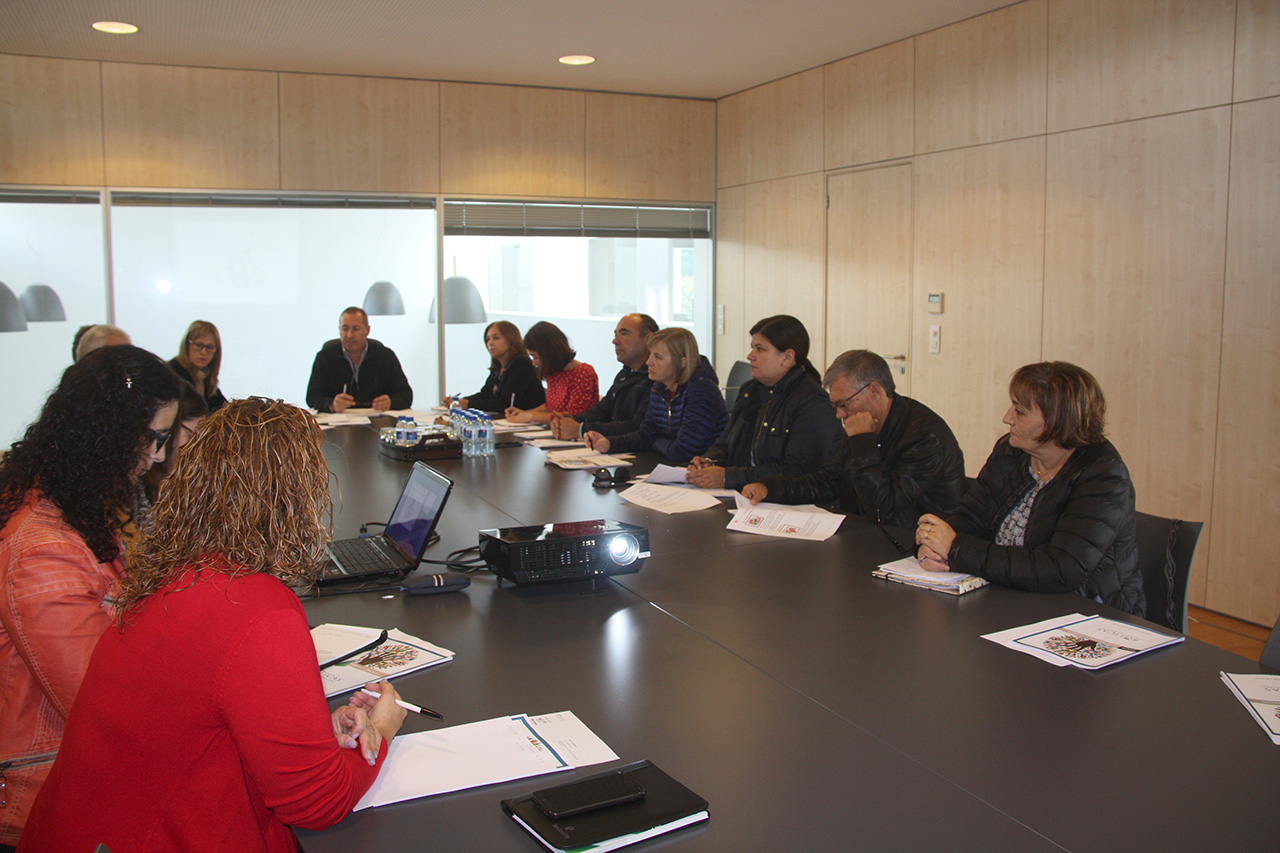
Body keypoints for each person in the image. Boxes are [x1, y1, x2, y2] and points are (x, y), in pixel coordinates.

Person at [19, 399, 408, 852]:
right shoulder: (260, 611)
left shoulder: (169, 576)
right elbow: (317, 805)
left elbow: (200, 717)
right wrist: (380, 730)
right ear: (297, 499)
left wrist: (313, 740)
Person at [0, 345, 181, 850]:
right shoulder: (43, 552)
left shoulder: (64, 500)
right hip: (46, 793)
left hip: (73, 769)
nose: (160, 456)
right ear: (110, 433)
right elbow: (105, 706)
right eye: (156, 439)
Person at [915, 362, 1145, 614]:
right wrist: (935, 548)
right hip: (1010, 597)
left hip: (1085, 615)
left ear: (1058, 421)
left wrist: (956, 548)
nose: (1007, 418)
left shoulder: (1103, 475)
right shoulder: (1011, 451)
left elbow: (1060, 570)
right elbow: (971, 517)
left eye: (1020, 411)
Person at [742, 350, 964, 529]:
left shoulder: (925, 437)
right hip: (863, 535)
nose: (839, 414)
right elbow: (831, 479)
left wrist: (862, 443)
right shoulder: (862, 422)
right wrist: (772, 488)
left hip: (909, 547)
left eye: (844, 404)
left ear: (874, 391)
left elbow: (882, 508)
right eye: (835, 405)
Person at [687, 315, 843, 491]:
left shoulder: (813, 403)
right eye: (752, 347)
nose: (750, 356)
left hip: (783, 501)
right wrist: (708, 461)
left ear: (787, 357)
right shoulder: (750, 391)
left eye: (760, 349)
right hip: (742, 492)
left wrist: (727, 477)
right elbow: (726, 443)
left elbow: (796, 471)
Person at [585, 328, 727, 464]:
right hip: (671, 465)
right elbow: (645, 435)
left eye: (657, 357)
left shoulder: (702, 391)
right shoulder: (660, 387)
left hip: (701, 473)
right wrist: (609, 443)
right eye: (650, 354)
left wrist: (654, 441)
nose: (648, 362)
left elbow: (683, 451)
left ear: (682, 363)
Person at [551, 313, 658, 441]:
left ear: (648, 338)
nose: (615, 341)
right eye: (615, 334)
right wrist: (569, 421)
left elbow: (637, 426)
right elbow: (602, 410)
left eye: (624, 334)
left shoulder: (657, 378)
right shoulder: (625, 374)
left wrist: (581, 429)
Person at [306, 307, 413, 413]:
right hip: (338, 422)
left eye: (356, 329)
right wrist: (331, 404)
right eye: (345, 328)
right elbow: (312, 397)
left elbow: (405, 395)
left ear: (367, 330)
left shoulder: (385, 356)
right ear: (339, 329)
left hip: (377, 421)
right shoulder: (325, 357)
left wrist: (391, 402)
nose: (349, 335)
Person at [504, 321, 598, 424]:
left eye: (536, 357)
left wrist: (532, 416)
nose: (534, 363)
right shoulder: (553, 371)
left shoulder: (582, 373)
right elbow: (550, 406)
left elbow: (573, 416)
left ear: (549, 354)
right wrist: (525, 413)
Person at [443, 320, 544, 413]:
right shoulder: (498, 368)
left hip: (528, 424)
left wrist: (468, 404)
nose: (490, 343)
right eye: (487, 339)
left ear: (511, 340)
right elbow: (485, 395)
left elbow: (504, 404)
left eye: (496, 338)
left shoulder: (522, 364)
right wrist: (460, 401)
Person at [167, 318, 228, 413]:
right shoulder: (172, 374)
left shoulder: (204, 376)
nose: (203, 352)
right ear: (187, 344)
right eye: (199, 345)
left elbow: (224, 410)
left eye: (209, 347)